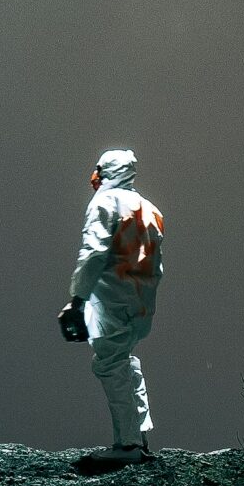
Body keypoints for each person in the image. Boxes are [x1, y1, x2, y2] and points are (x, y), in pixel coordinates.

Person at [60, 148, 164, 456]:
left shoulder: (105, 202)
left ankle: (128, 443)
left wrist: (78, 298)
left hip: (111, 298)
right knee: (125, 359)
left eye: (99, 170)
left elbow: (93, 253)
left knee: (109, 363)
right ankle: (141, 432)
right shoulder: (150, 208)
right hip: (142, 302)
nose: (94, 177)